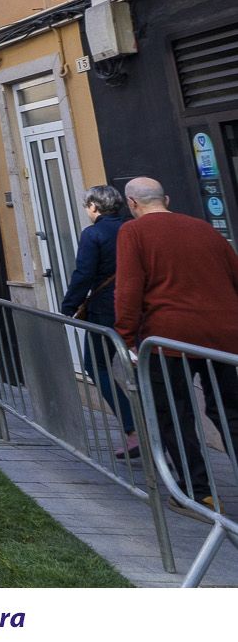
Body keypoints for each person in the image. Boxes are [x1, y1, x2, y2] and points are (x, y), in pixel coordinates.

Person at [115, 176, 238, 510]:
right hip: (224, 337)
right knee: (231, 412)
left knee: (173, 412)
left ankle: (199, 492)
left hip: (169, 339)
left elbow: (128, 289)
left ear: (132, 204)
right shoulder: (204, 229)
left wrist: (124, 337)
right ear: (166, 199)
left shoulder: (133, 232)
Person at [60, 184, 137, 458]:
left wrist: (68, 306)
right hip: (139, 308)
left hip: (106, 309)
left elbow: (83, 273)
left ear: (94, 207)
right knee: (142, 367)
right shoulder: (132, 228)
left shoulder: (93, 234)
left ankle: (132, 428)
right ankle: (157, 427)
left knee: (96, 365)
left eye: (87, 206)